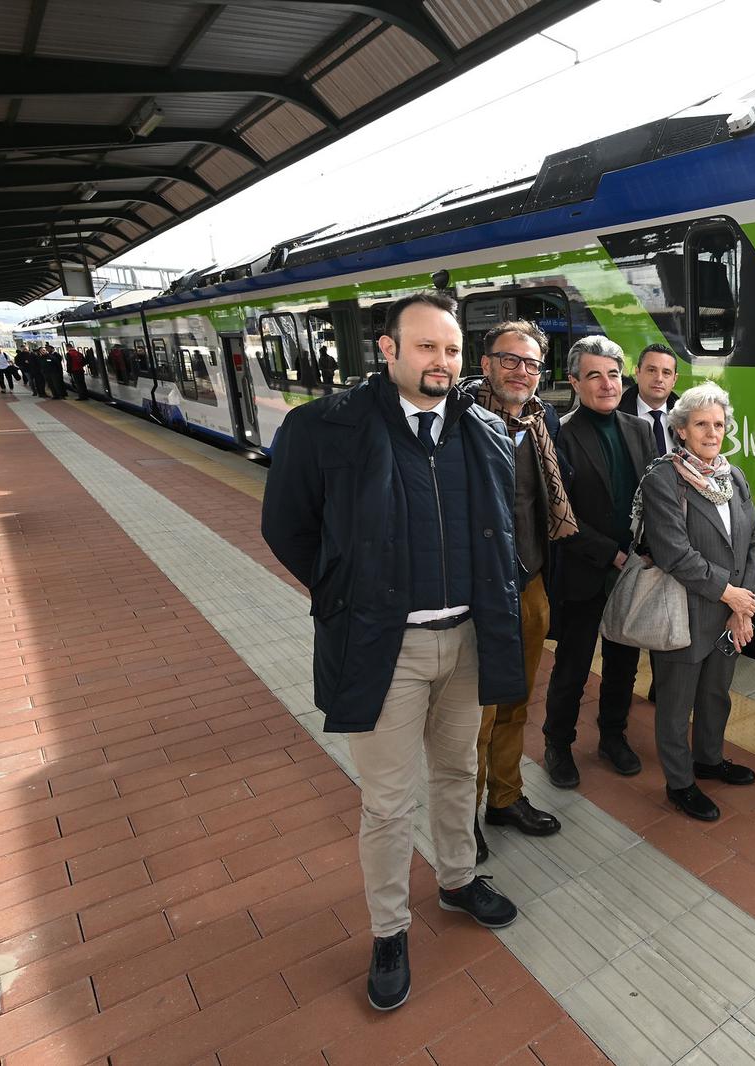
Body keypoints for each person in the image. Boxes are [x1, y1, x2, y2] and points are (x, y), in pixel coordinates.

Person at [260, 290, 526, 1013]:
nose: (442, 362)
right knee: (386, 801)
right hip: (386, 645)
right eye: (426, 347)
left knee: (457, 770)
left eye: (451, 349)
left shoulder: (482, 429)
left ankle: (458, 878)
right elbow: (286, 526)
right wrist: (348, 587)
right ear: (388, 350)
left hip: (467, 638)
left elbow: (503, 529)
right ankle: (388, 930)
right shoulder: (326, 429)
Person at [460, 320, 573, 863]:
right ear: (485, 364)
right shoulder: (454, 422)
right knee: (473, 717)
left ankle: (505, 798)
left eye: (531, 364)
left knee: (515, 704)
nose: (521, 372)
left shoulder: (539, 421)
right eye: (509, 360)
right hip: (476, 592)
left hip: (529, 583)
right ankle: (464, 817)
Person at [640, 381, 755, 821]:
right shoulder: (663, 479)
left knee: (716, 693)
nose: (712, 433)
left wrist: (741, 606)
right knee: (676, 705)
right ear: (681, 430)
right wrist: (729, 593)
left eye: (718, 424)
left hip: (730, 612)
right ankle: (680, 783)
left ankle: (709, 760)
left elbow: (753, 540)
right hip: (686, 611)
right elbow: (674, 553)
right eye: (701, 425)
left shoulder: (733, 475)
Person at [543, 335, 657, 789]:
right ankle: (557, 744)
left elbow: (655, 499)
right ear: (574, 381)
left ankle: (613, 736)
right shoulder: (560, 434)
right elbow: (558, 513)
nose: (607, 383)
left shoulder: (640, 429)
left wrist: (648, 550)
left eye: (613, 374)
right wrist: (610, 553)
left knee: (624, 663)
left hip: (631, 573)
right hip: (584, 570)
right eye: (594, 375)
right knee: (571, 665)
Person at [620, 342, 680, 455]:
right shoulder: (616, 417)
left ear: (674, 380)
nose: (659, 378)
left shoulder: (687, 418)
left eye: (666, 372)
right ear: (637, 373)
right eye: (651, 370)